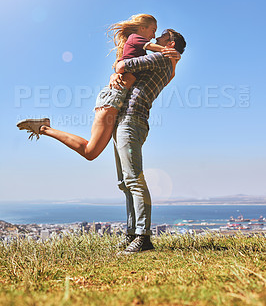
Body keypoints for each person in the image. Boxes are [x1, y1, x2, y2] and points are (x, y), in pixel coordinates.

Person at [16, 14, 176, 161]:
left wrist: (173, 63)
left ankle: (43, 127)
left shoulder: (141, 54)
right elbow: (127, 62)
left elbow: (162, 77)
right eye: (153, 30)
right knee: (90, 151)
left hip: (118, 100)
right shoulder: (136, 39)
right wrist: (170, 51)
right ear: (142, 28)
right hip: (114, 97)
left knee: (91, 152)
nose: (154, 36)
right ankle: (43, 128)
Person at [111, 29, 186, 254]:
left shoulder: (161, 57)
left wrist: (118, 68)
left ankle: (143, 237)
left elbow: (123, 66)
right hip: (129, 119)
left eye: (162, 36)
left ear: (170, 43)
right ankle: (132, 233)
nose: (156, 38)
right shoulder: (167, 62)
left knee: (133, 180)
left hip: (131, 118)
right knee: (125, 182)